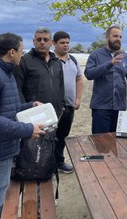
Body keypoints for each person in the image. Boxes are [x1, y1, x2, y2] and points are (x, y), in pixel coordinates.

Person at [0, 33, 45, 219]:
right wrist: (27, 130)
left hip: (3, 147)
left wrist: (29, 105)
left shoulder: (6, 72)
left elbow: (8, 108)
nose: (23, 55)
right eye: (21, 51)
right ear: (11, 52)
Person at [14, 27, 68, 172]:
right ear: (33, 41)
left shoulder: (56, 62)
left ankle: (51, 167)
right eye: (39, 40)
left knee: (53, 142)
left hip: (55, 111)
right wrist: (24, 110)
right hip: (34, 113)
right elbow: (17, 88)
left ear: (51, 42)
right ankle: (32, 172)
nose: (42, 42)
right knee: (32, 147)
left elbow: (60, 85)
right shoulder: (25, 61)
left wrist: (62, 104)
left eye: (45, 40)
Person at [84, 25, 127, 134]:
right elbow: (89, 74)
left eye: (120, 37)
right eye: (115, 36)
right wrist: (110, 63)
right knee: (100, 144)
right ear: (107, 37)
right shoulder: (96, 55)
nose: (118, 39)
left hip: (120, 107)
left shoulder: (125, 57)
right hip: (101, 108)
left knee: (118, 143)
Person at [53, 31, 83, 173]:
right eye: (62, 43)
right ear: (54, 44)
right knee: (49, 137)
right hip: (52, 107)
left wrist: (77, 99)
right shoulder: (50, 60)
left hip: (69, 106)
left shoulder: (73, 60)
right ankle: (47, 166)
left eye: (67, 42)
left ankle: (59, 163)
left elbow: (79, 79)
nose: (65, 45)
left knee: (62, 136)